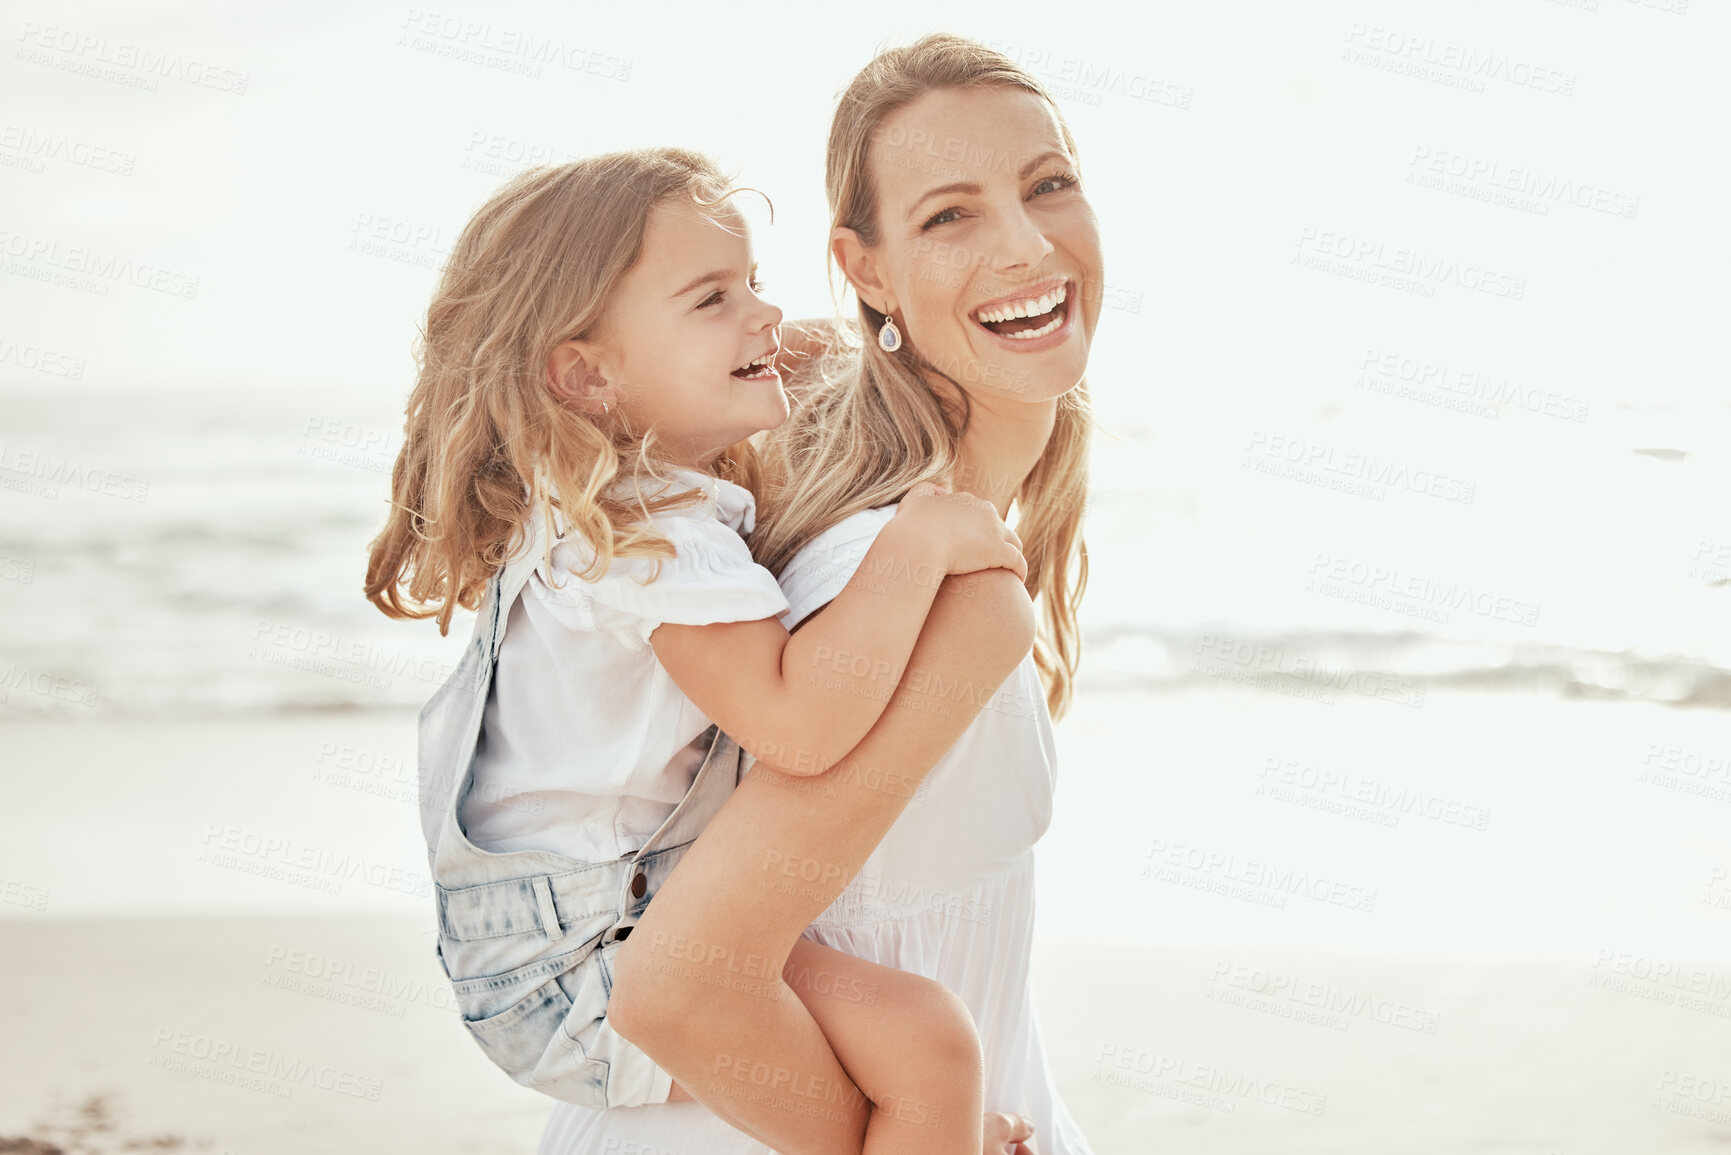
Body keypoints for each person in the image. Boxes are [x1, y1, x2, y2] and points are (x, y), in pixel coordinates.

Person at [364, 145, 1036, 1154]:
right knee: (929, 1051)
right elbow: (801, 725)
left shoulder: (599, 503)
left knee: (920, 1069)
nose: (764, 313)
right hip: (590, 961)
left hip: (552, 945)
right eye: (712, 297)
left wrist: (772, 342)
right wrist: (917, 541)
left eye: (755, 282)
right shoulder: (654, 535)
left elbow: (751, 357)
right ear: (586, 373)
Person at [545, 33, 1102, 1155]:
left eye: (1049, 186)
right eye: (951, 216)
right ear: (866, 270)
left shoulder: (922, 517)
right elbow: (681, 990)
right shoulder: (921, 587)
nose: (1028, 243)